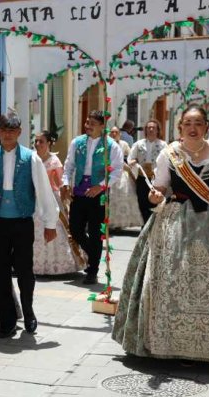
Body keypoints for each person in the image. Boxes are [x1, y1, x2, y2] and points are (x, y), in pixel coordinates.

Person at [113, 105, 209, 362]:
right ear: (180, 128)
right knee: (166, 276)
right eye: (187, 123)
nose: (193, 128)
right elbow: (161, 187)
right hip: (175, 223)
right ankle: (168, 341)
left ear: (207, 127)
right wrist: (155, 194)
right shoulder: (169, 153)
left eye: (198, 123)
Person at [0, 113, 58, 337]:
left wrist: (50, 223)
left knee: (24, 270)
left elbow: (44, 192)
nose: (8, 134)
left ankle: (28, 312)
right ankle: (7, 321)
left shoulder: (31, 158)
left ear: (19, 132)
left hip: (22, 222)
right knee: (0, 272)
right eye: (3, 130)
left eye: (12, 130)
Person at [61, 111, 124, 285]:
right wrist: (66, 183)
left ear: (102, 126)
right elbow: (69, 165)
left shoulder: (111, 146)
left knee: (96, 233)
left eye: (92, 124)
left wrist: (101, 186)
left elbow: (117, 170)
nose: (88, 126)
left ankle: (92, 269)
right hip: (79, 191)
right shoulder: (77, 142)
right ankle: (93, 252)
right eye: (87, 122)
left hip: (99, 195)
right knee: (75, 229)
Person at [32, 131, 87, 275]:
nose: (37, 144)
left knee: (55, 228)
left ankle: (59, 265)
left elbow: (60, 182)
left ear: (49, 143)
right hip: (33, 199)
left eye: (41, 141)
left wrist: (65, 195)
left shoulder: (54, 161)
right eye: (36, 141)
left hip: (50, 199)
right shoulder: (32, 158)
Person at [127, 119, 167, 224]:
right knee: (142, 201)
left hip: (156, 178)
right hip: (142, 178)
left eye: (153, 128)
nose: (151, 130)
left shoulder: (163, 145)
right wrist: (132, 161)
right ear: (145, 130)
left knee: (155, 201)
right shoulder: (138, 144)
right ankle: (145, 225)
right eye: (149, 128)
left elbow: (168, 160)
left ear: (157, 130)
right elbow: (131, 158)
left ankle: (153, 224)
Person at [108, 127, 143, 230]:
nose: (114, 134)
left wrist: (131, 163)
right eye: (112, 132)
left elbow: (130, 156)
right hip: (109, 172)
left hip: (122, 173)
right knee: (110, 198)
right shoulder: (106, 144)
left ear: (119, 134)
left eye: (116, 132)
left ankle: (120, 222)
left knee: (124, 195)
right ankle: (109, 222)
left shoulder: (124, 144)